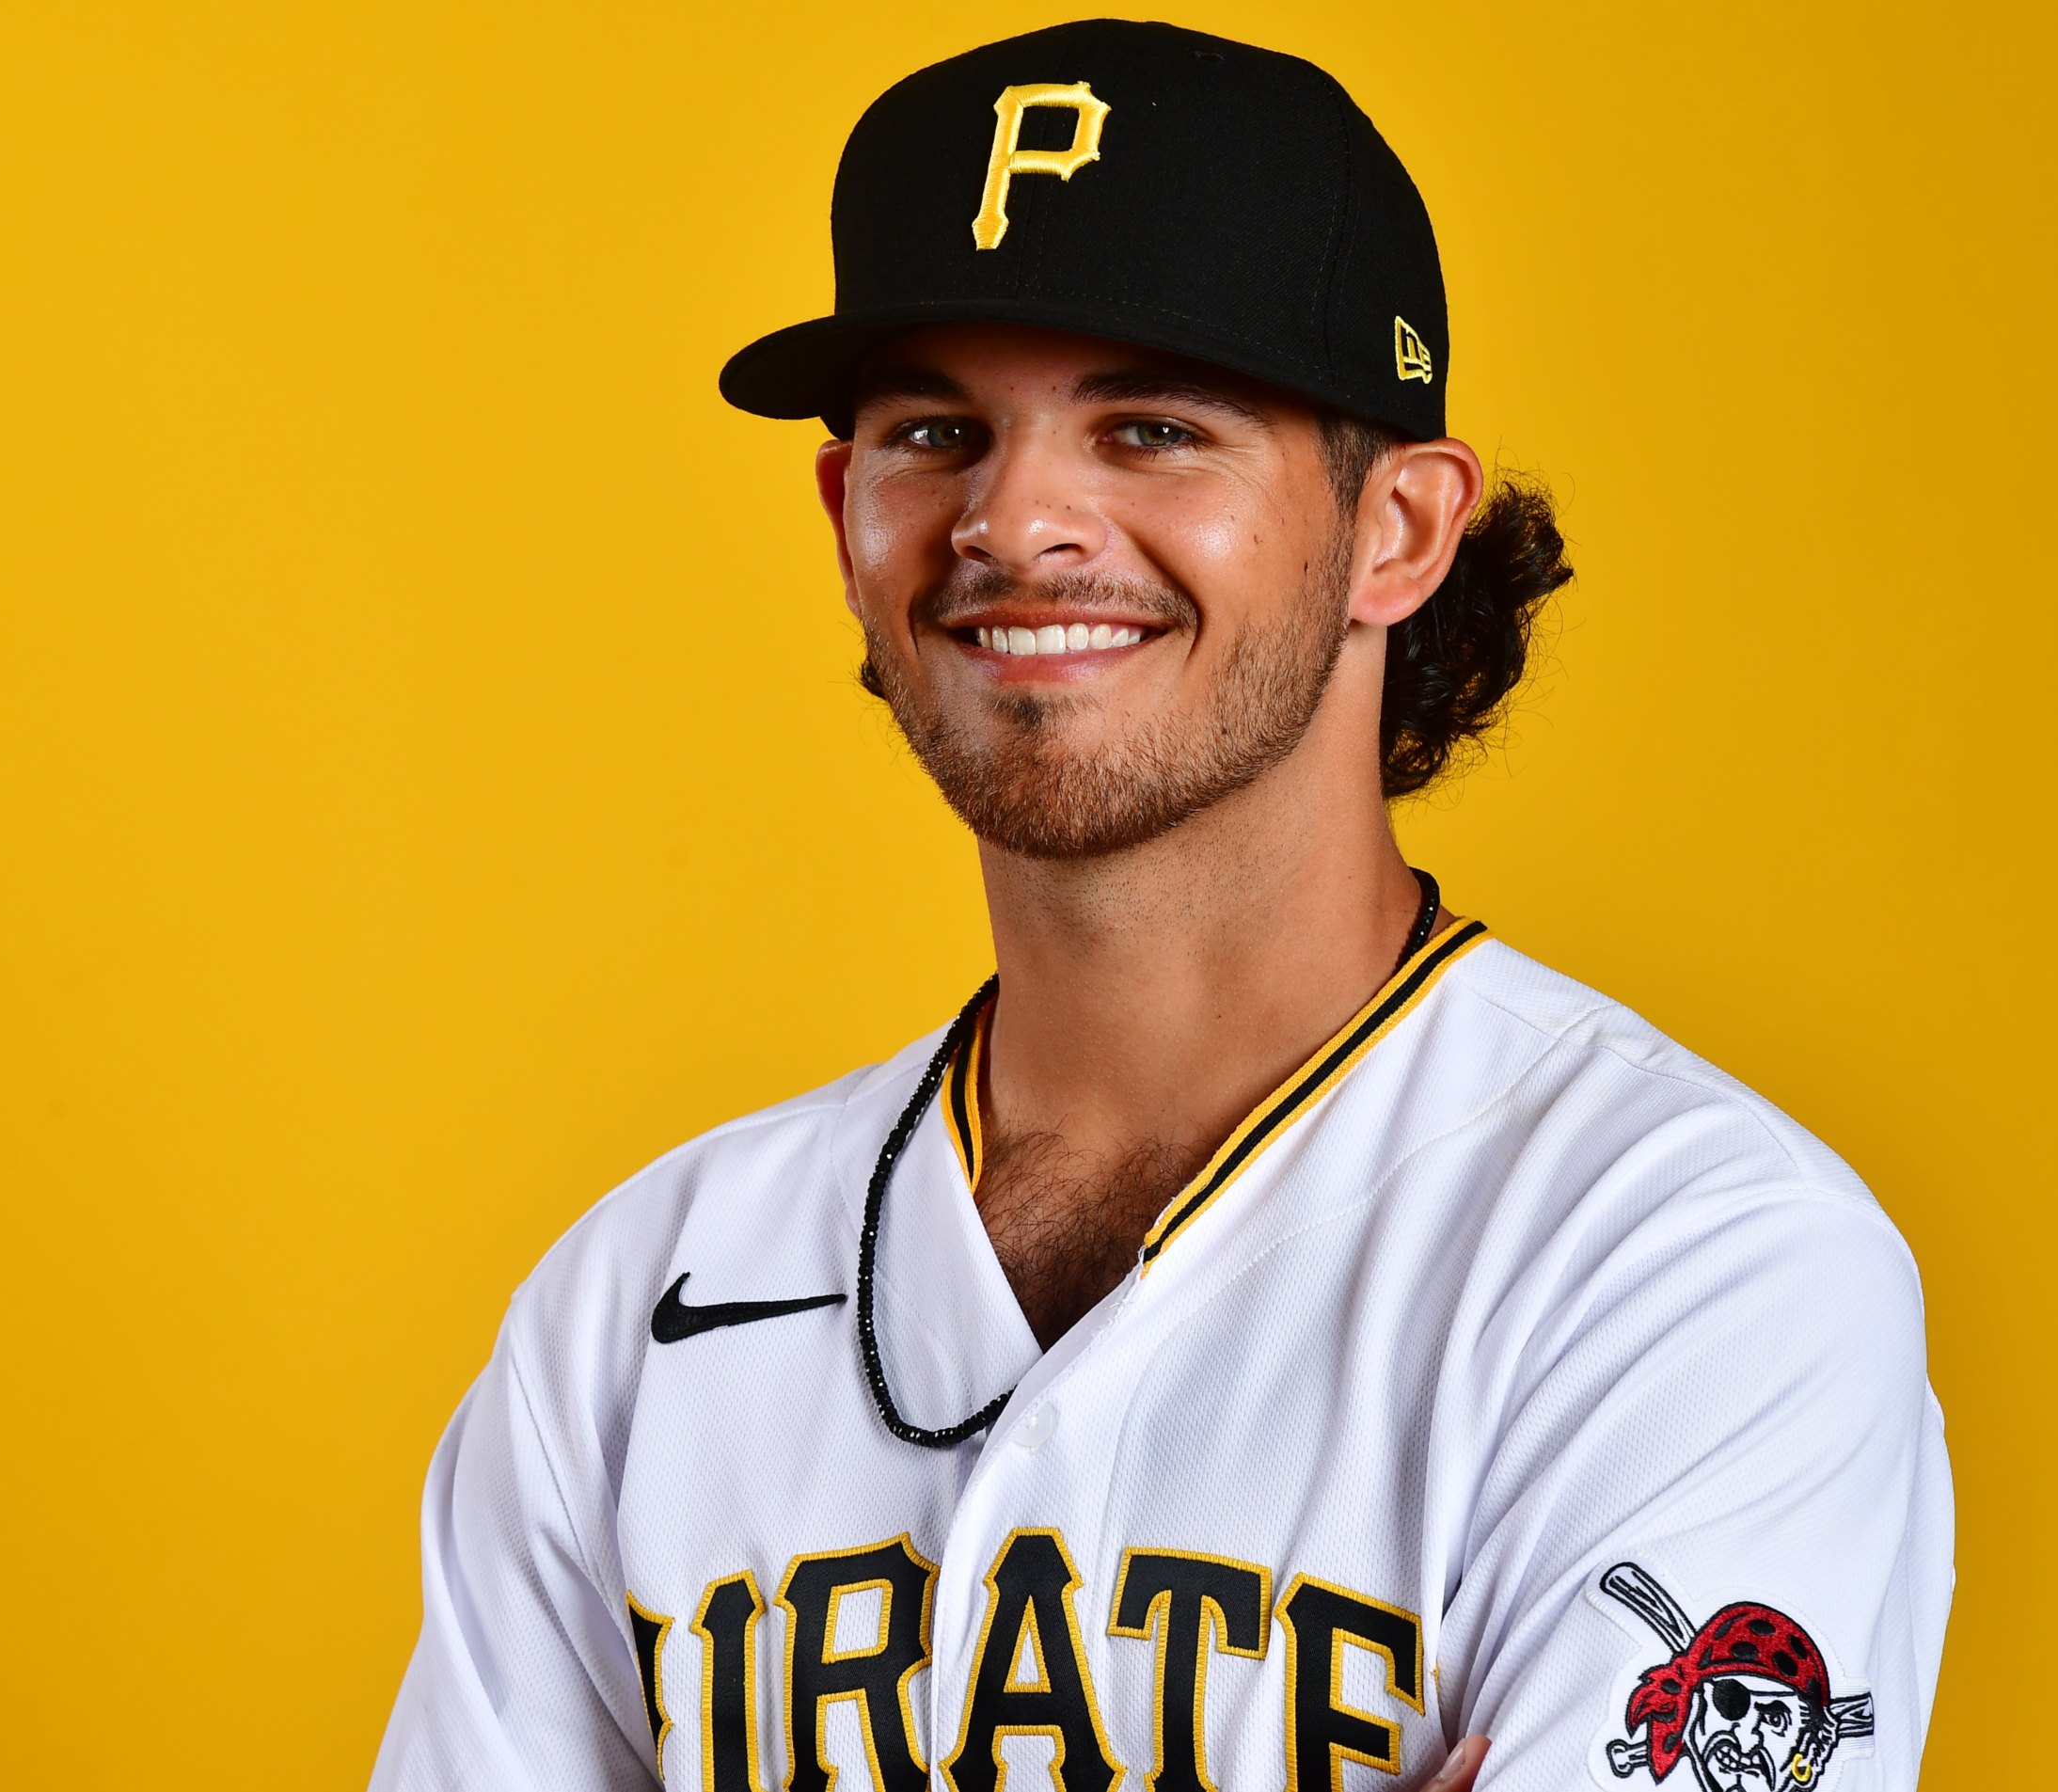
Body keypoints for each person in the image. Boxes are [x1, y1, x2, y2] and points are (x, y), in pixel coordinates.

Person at [370, 22, 1952, 1792]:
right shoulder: (628, 1313)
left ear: (1399, 530)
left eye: (1153, 428)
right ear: (843, 515)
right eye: (936, 431)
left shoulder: (1688, 1267)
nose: (1015, 519)